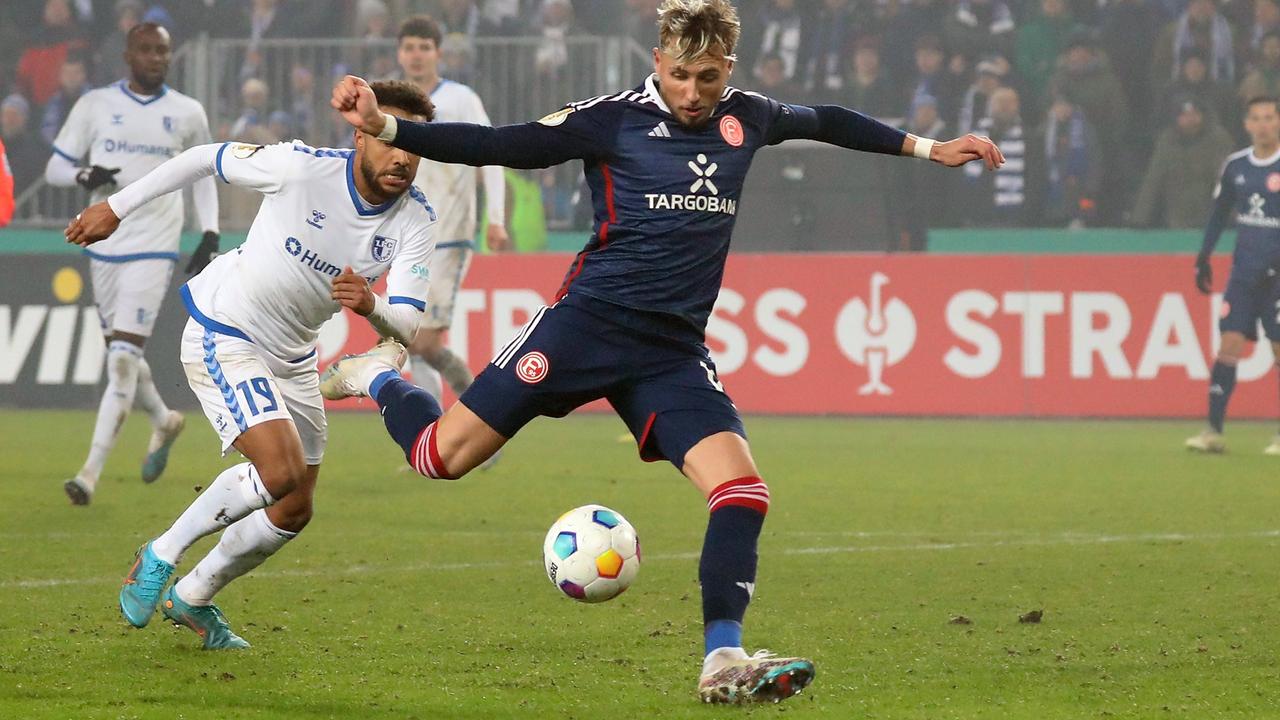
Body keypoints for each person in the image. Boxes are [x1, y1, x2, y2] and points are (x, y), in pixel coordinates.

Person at [325, 0, 1002, 704]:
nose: (691, 93)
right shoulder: (610, 118)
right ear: (658, 63)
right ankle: (377, 375)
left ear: (726, 70)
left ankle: (721, 659)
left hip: (669, 353)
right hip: (583, 329)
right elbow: (508, 144)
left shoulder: (751, 116)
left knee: (742, 493)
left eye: (707, 78)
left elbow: (828, 120)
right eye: (679, 75)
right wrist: (387, 126)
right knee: (440, 457)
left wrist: (931, 149)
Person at [64, 80, 437, 648]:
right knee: (279, 471)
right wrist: (115, 208)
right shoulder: (300, 168)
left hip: (293, 355)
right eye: (389, 138)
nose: (403, 155)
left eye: (413, 143)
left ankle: (193, 596)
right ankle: (160, 554)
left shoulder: (416, 218)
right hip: (226, 328)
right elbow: (199, 158)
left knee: (294, 506)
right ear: (361, 135)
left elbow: (407, 324)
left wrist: (372, 305)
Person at [44, 23, 221, 506]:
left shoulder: (187, 112)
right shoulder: (96, 105)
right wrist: (85, 174)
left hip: (155, 244)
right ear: (128, 55)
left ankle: (89, 473)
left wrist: (209, 230)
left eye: (162, 51)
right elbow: (55, 166)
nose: (156, 58)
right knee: (121, 354)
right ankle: (163, 420)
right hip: (101, 243)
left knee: (122, 358)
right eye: (146, 50)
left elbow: (205, 173)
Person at [396, 15, 509, 409]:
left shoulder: (461, 99)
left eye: (424, 47)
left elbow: (492, 155)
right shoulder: (390, 103)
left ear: (437, 54)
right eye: (409, 47)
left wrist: (496, 218)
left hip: (449, 234)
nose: (416, 55)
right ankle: (432, 427)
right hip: (403, 236)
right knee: (408, 339)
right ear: (399, 52)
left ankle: (481, 409)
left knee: (421, 340)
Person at [1186, 96, 1280, 454]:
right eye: (1256, 118)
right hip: (1244, 274)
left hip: (1278, 278)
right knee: (1229, 345)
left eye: (1269, 118)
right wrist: (1204, 256)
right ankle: (1213, 432)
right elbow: (1219, 213)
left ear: (1278, 122)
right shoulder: (1236, 165)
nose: (1263, 125)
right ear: (1247, 124)